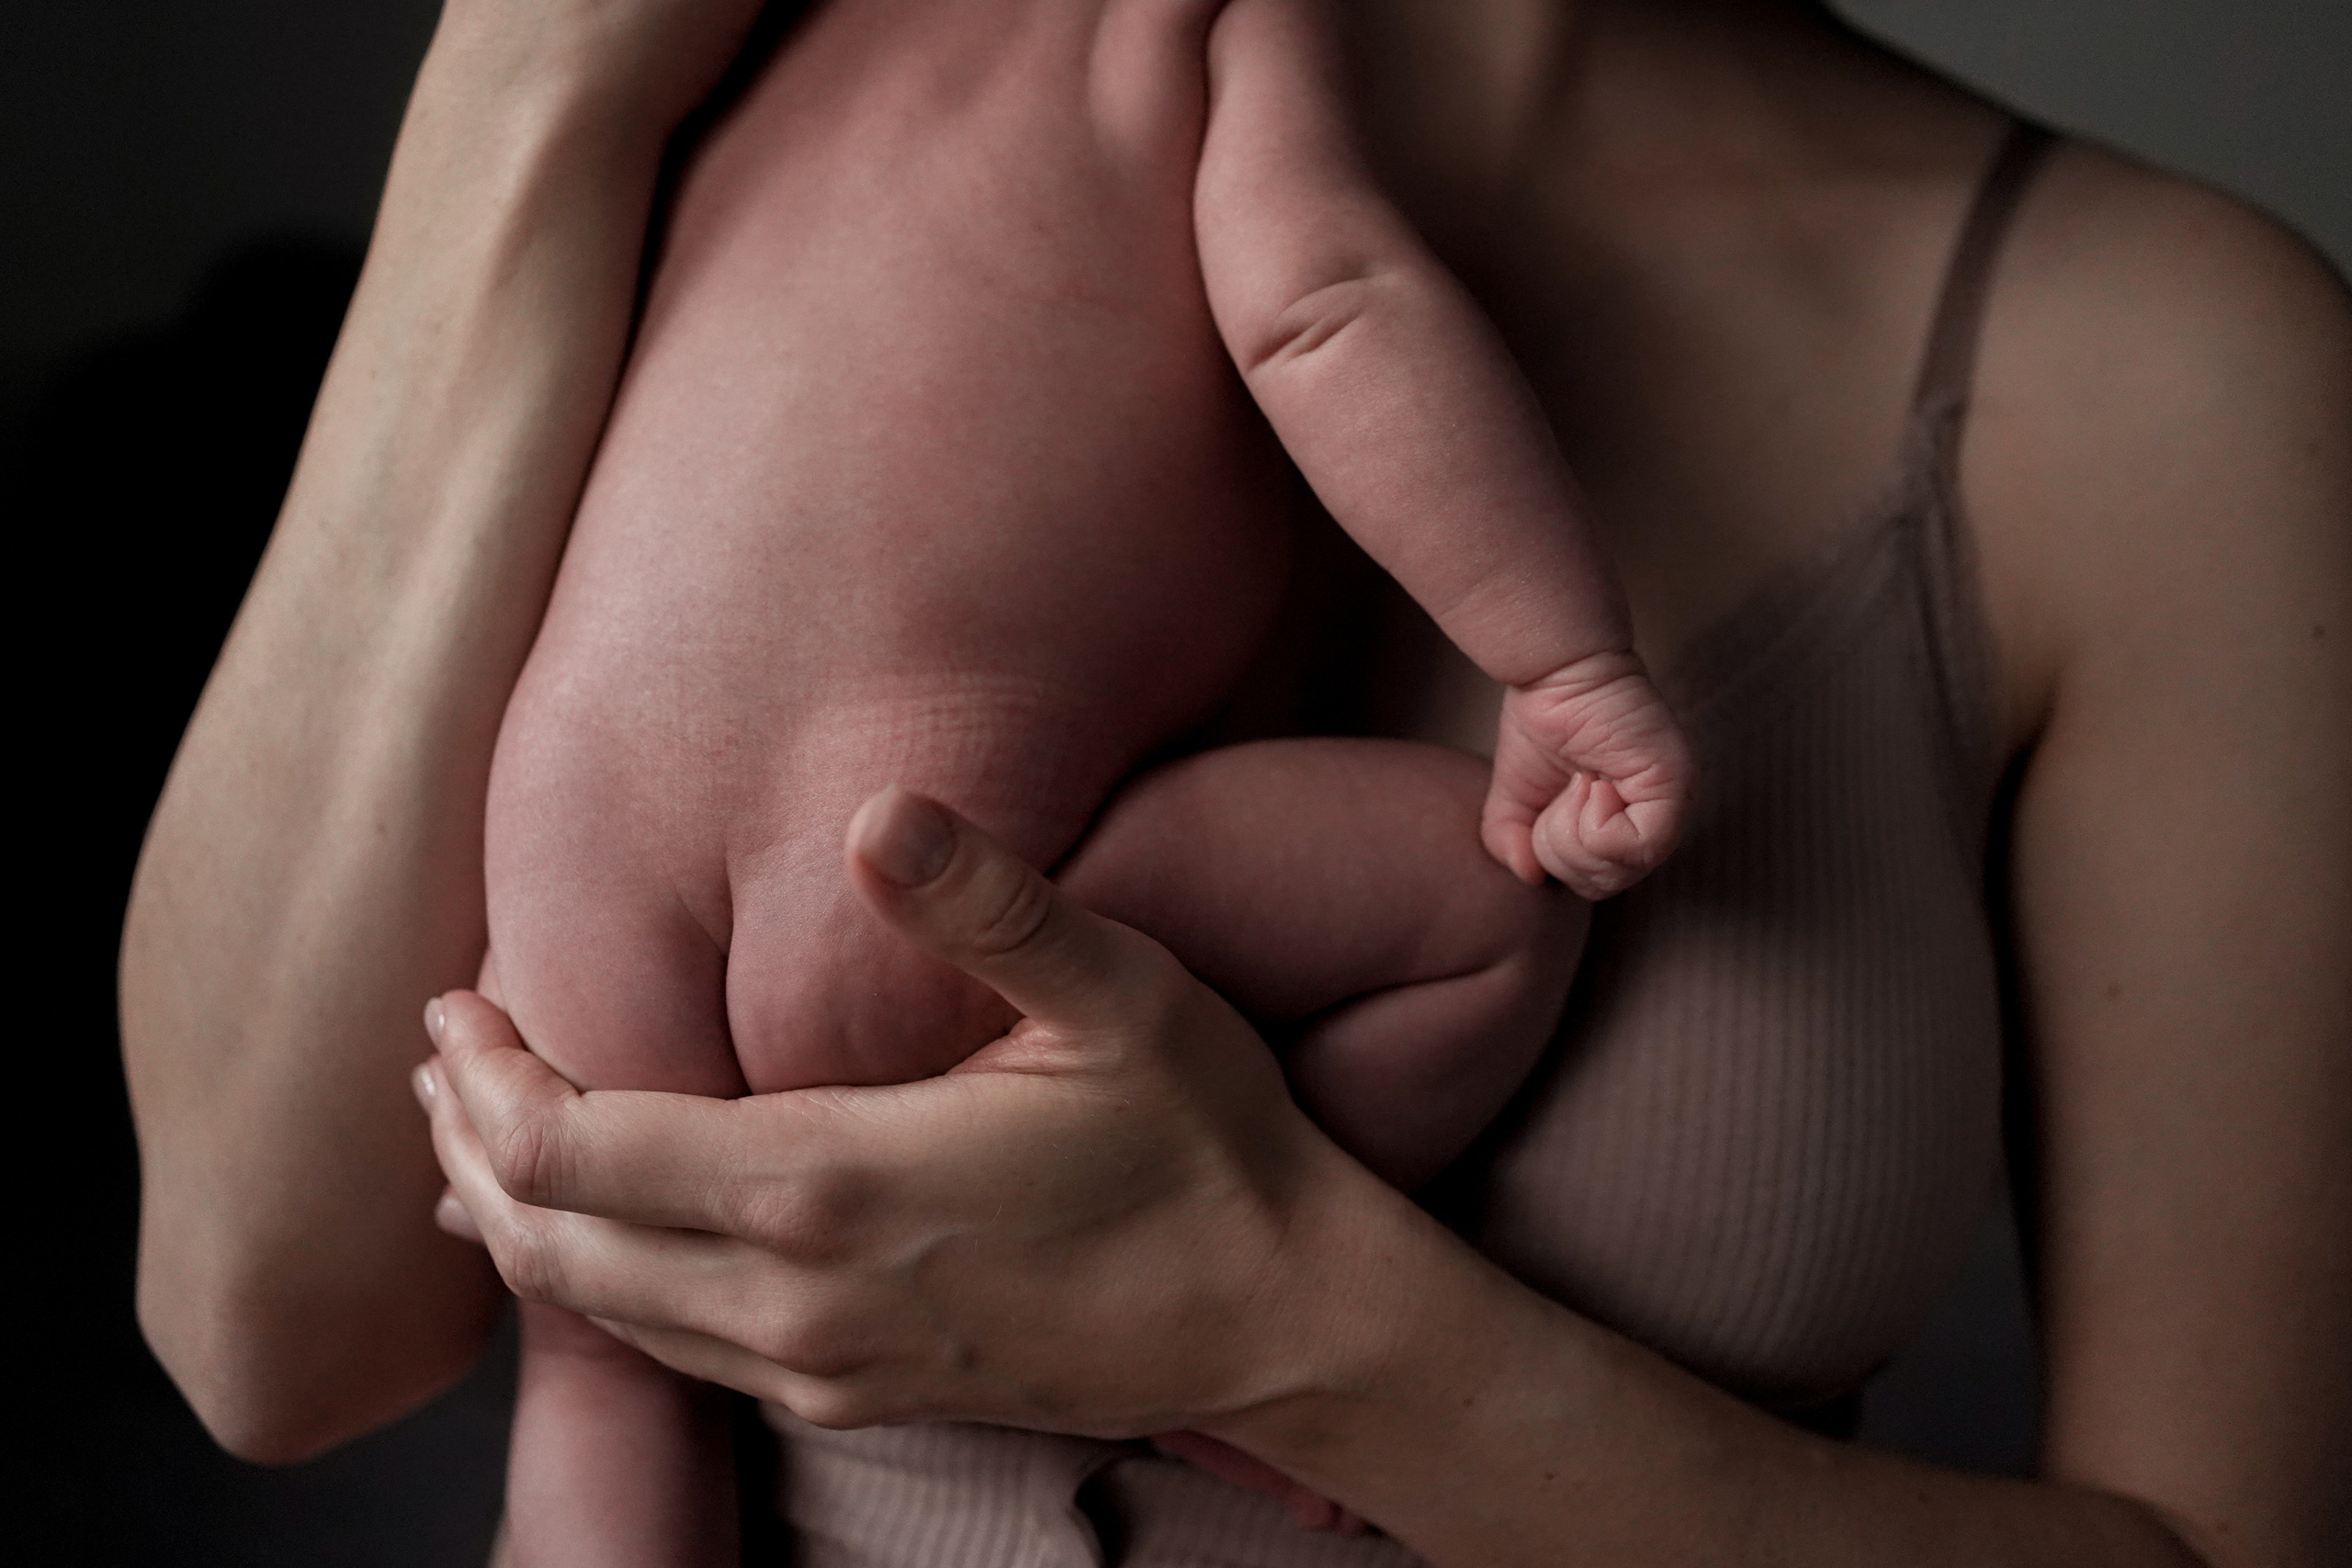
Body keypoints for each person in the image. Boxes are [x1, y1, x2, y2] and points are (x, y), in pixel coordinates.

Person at [123, 0, 2350, 1564]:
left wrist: (1304, 1326)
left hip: (602, 975)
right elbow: (255, 1330)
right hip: (962, 892)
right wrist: (526, 90)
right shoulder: (1036, 45)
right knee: (1486, 898)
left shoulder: (2169, 374)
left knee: (606, 1380)